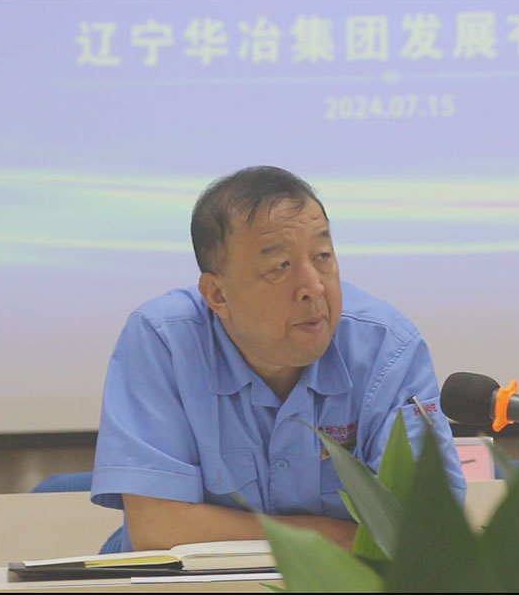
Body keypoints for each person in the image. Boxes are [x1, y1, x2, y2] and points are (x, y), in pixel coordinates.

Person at [91, 166, 466, 552]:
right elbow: (158, 528)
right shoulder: (164, 340)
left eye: (322, 256)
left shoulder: (386, 348)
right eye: (280, 267)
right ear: (218, 294)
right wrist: (330, 536)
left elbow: (427, 525)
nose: (313, 287)